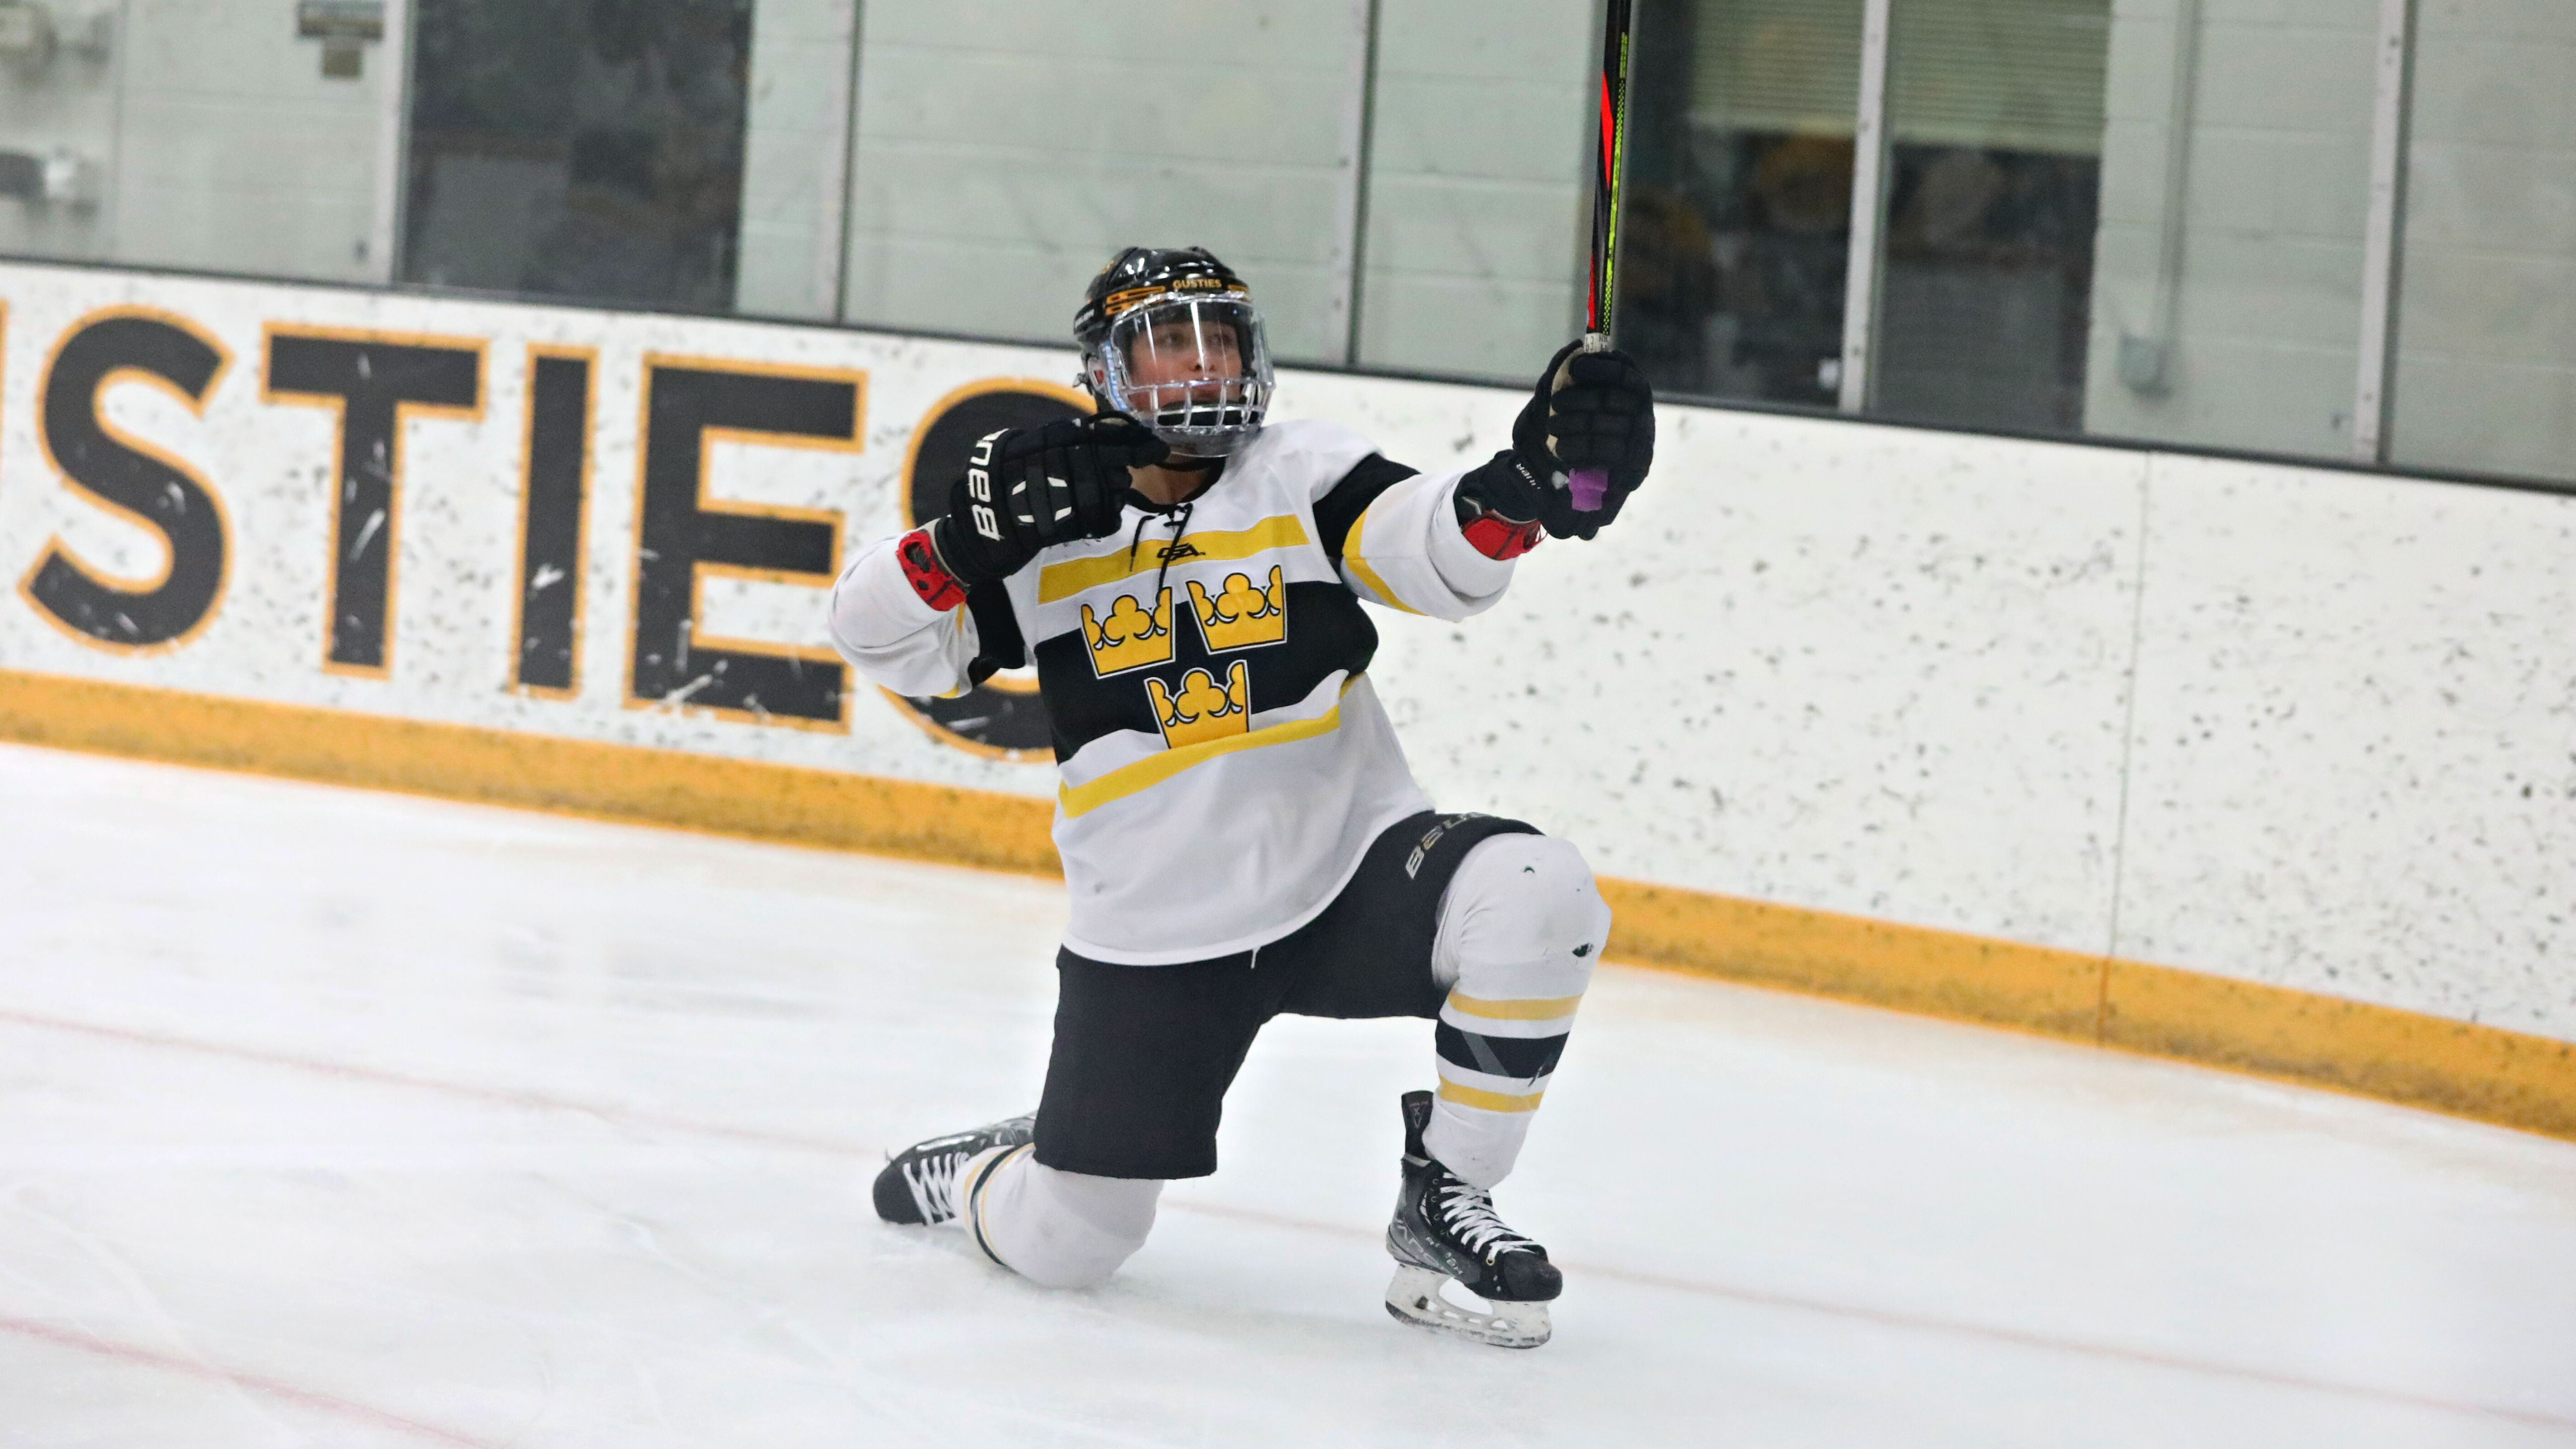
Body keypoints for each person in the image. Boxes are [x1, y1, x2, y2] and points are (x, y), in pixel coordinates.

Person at [825, 246, 1655, 1348]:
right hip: (1159, 929)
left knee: (1537, 890)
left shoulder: (1300, 472)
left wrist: (1528, 490)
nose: (1203, 361)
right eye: (1169, 339)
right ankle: (993, 1168)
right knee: (1071, 1246)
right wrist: (962, 542)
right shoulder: (1047, 518)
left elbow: (1438, 552)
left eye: (1221, 336)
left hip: (1350, 876)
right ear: (1106, 370)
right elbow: (884, 645)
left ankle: (1445, 1195)